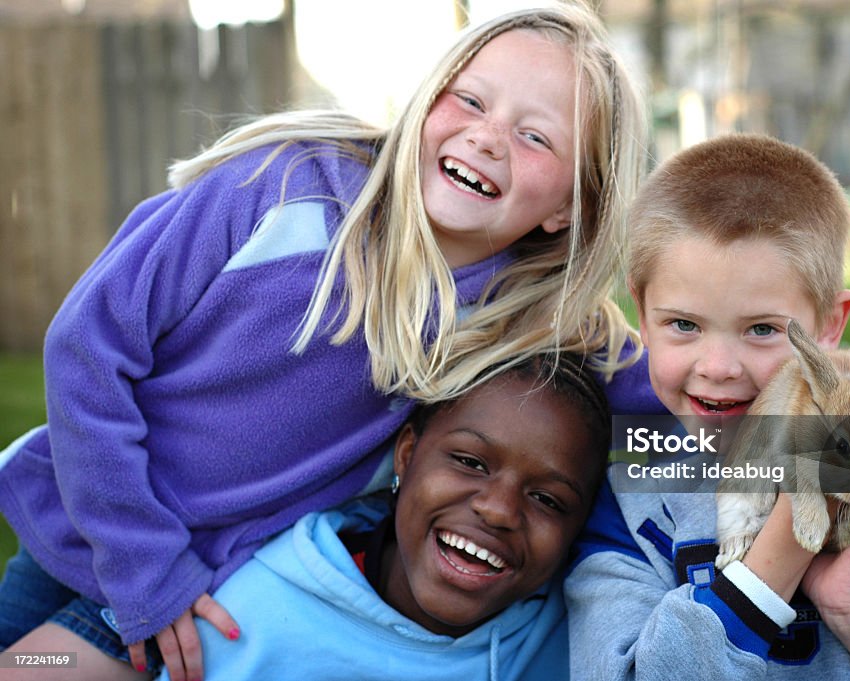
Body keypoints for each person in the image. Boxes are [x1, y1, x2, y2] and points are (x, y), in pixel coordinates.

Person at [0, 4, 659, 681]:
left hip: (200, 594)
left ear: (567, 210)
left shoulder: (521, 319)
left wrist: (768, 419)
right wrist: (145, 567)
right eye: (469, 100)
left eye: (535, 137)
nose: (488, 137)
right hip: (92, 530)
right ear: (428, 100)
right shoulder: (280, 187)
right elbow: (86, 347)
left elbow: (683, 385)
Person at [565, 134, 850, 680]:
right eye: (683, 324)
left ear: (829, 326)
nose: (718, 367)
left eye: (762, 330)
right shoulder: (629, 510)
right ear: (641, 316)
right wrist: (778, 556)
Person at [153, 352, 611, 681]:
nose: (498, 510)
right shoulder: (253, 618)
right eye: (470, 462)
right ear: (407, 454)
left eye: (548, 500)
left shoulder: (586, 648)